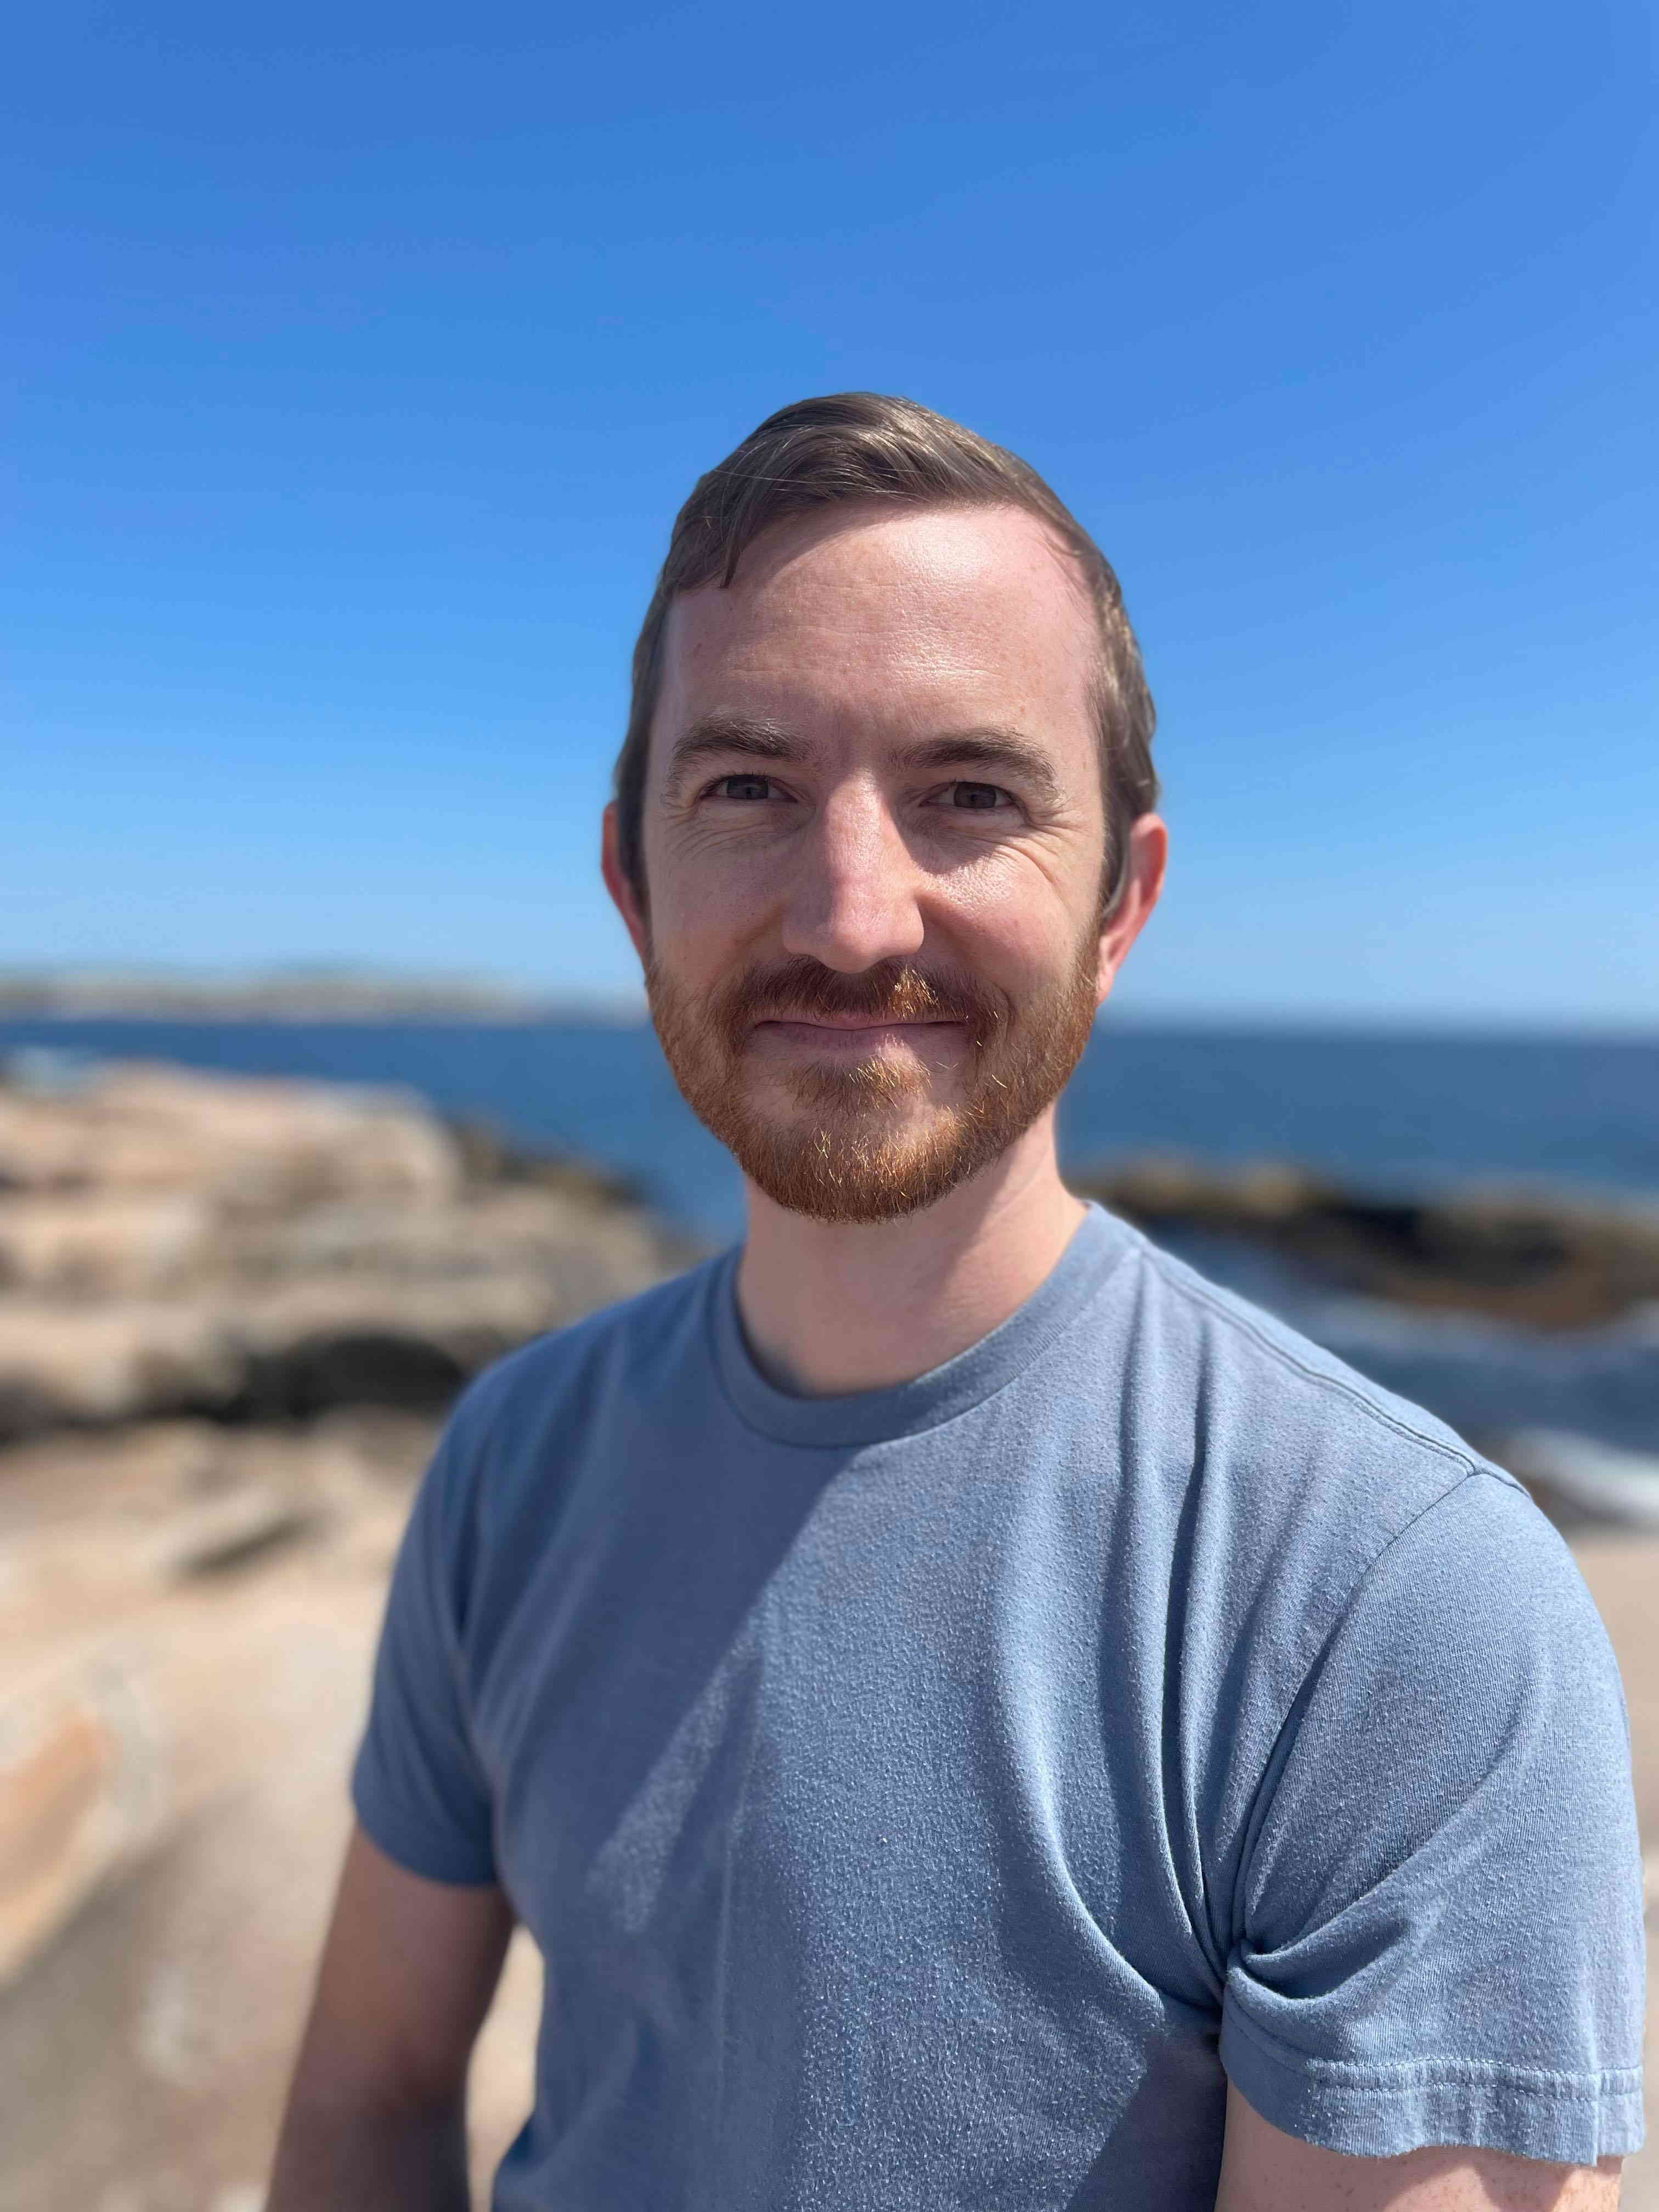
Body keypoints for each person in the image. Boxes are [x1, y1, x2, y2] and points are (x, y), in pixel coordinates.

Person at [269, 393, 1644, 2211]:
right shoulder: (515, 1461)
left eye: (971, 795)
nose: (853, 915)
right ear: (629, 877)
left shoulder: (1389, 1600)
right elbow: (367, 2102)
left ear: (1118, 902)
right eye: (748, 787)